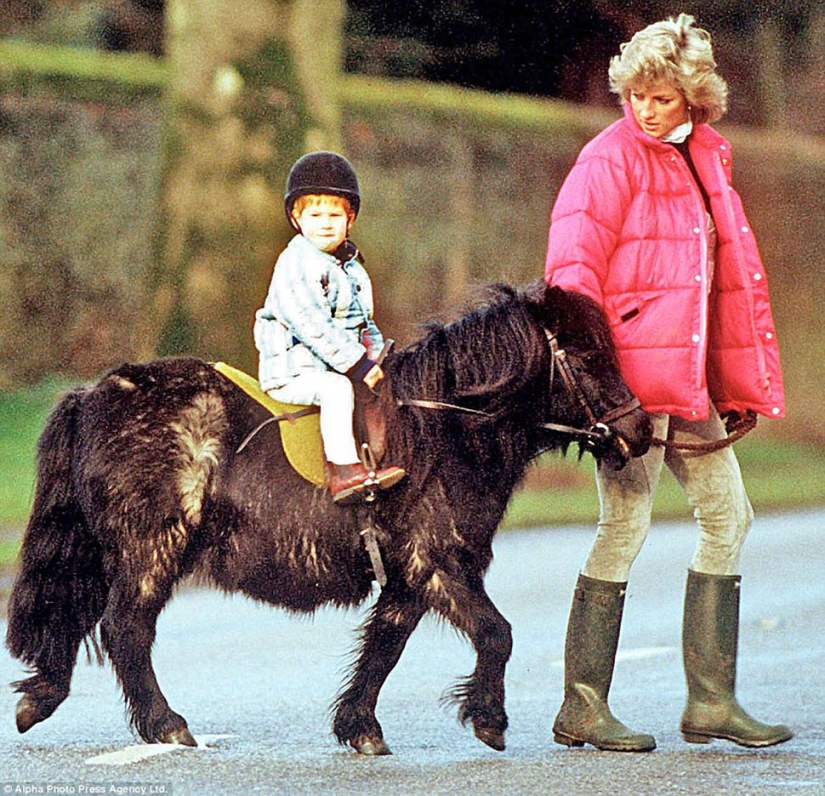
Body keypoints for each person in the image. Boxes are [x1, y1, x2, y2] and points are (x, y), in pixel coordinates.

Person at [544, 14, 791, 752]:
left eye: (659, 96)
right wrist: (594, 382)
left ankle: (710, 702)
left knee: (730, 516)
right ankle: (581, 707)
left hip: (691, 383)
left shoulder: (707, 157)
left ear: (692, 96)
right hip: (630, 391)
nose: (643, 109)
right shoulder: (607, 158)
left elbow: (729, 284)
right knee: (623, 526)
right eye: (635, 95)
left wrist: (734, 379)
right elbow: (570, 270)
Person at [254, 151, 405, 504]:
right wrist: (355, 364)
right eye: (315, 214)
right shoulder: (296, 261)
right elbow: (309, 322)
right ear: (297, 219)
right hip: (294, 371)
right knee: (337, 389)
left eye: (335, 215)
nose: (325, 223)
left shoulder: (353, 269)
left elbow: (363, 323)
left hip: (332, 363)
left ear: (349, 220)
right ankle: (345, 473)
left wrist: (376, 358)